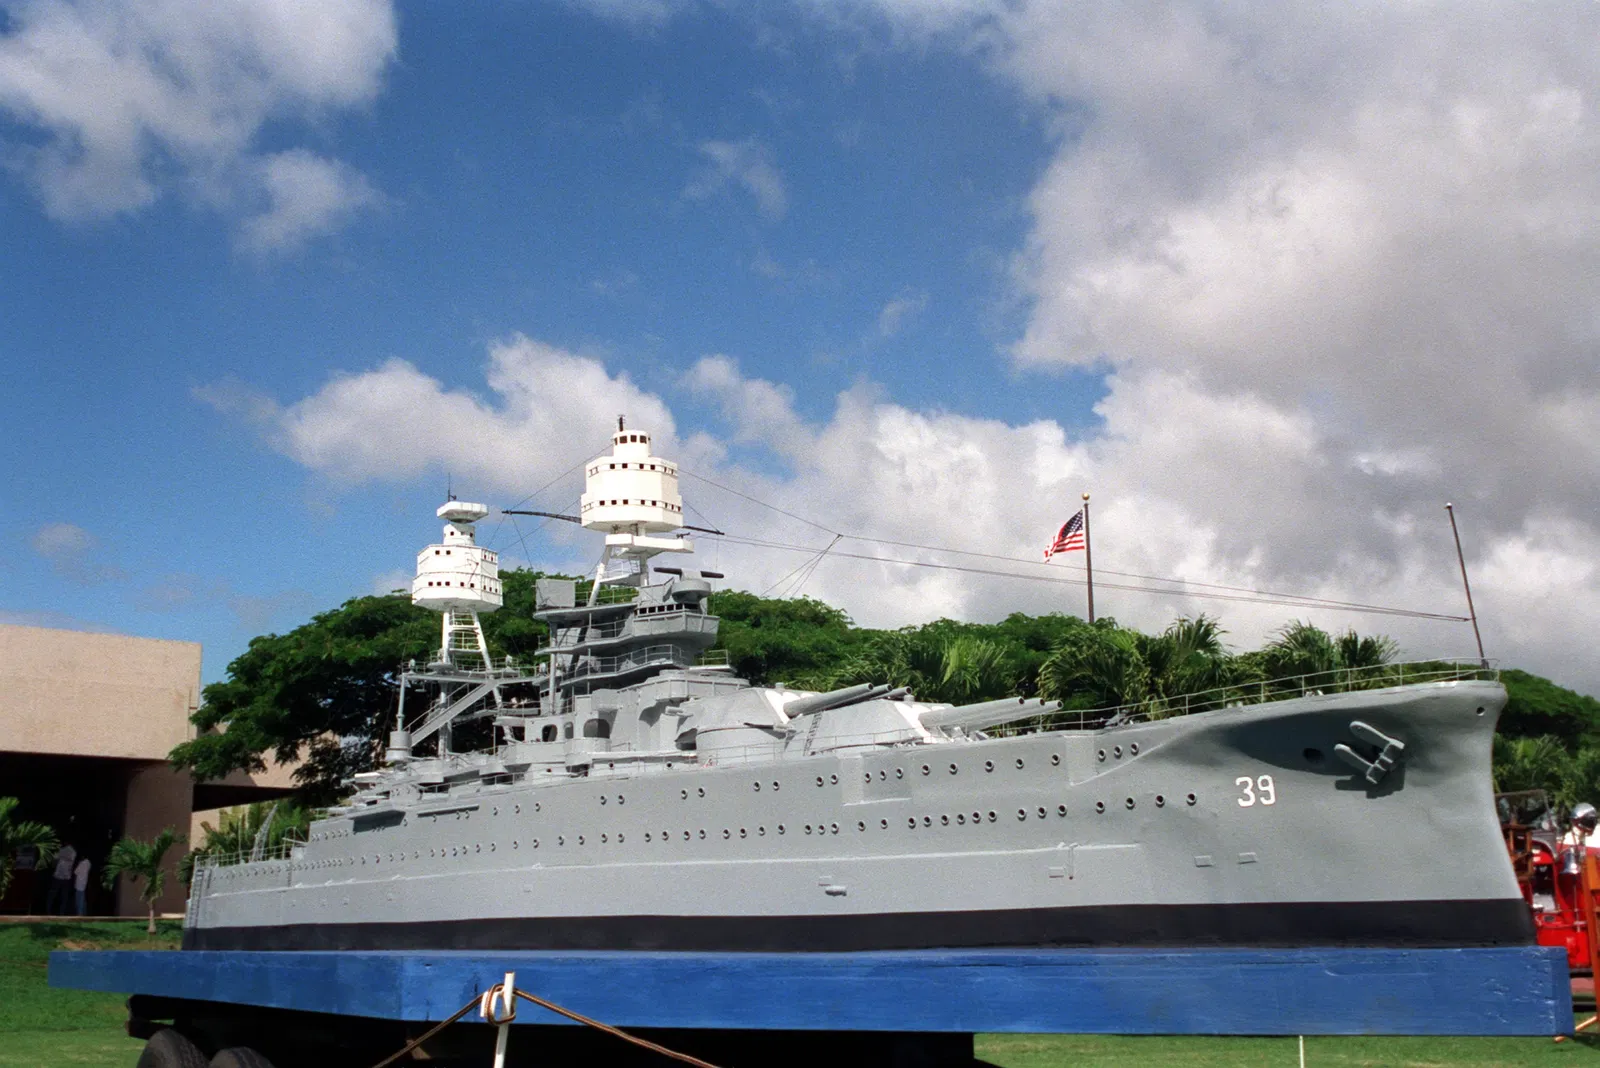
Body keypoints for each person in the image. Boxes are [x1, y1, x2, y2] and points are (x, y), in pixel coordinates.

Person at [46, 842, 76, 915]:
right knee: (64, 897)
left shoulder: (60, 850)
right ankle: (61, 913)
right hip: (66, 878)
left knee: (52, 895)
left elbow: (53, 864)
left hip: (57, 876)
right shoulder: (74, 852)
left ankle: (48, 911)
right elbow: (71, 867)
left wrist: (56, 861)